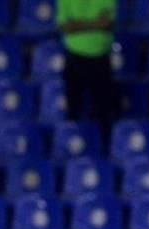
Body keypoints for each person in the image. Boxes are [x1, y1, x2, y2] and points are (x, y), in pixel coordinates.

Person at [56, 0, 118, 145]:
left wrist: (78, 25)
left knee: (102, 110)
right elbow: (65, 27)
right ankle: (71, 146)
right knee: (73, 108)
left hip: (100, 57)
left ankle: (101, 149)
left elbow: (106, 24)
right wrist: (93, 24)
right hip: (74, 56)